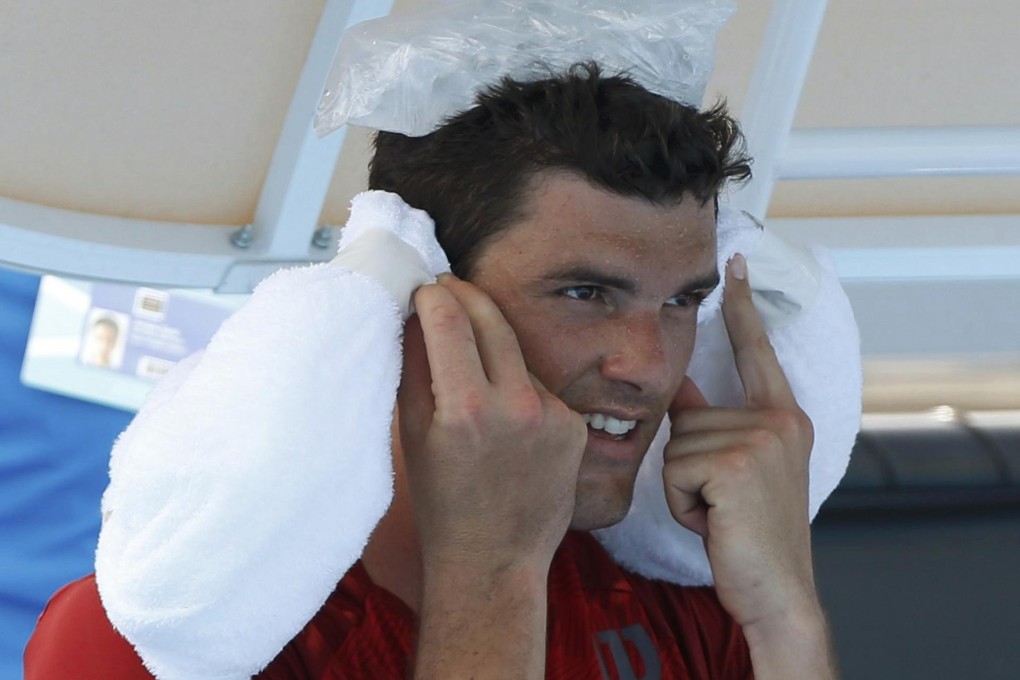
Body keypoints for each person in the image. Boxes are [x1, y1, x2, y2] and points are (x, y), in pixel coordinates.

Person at [26, 64, 837, 678]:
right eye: (585, 293)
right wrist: (492, 570)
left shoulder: (700, 606)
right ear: (421, 297)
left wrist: (788, 618)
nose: (651, 367)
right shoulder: (148, 643)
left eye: (681, 303)